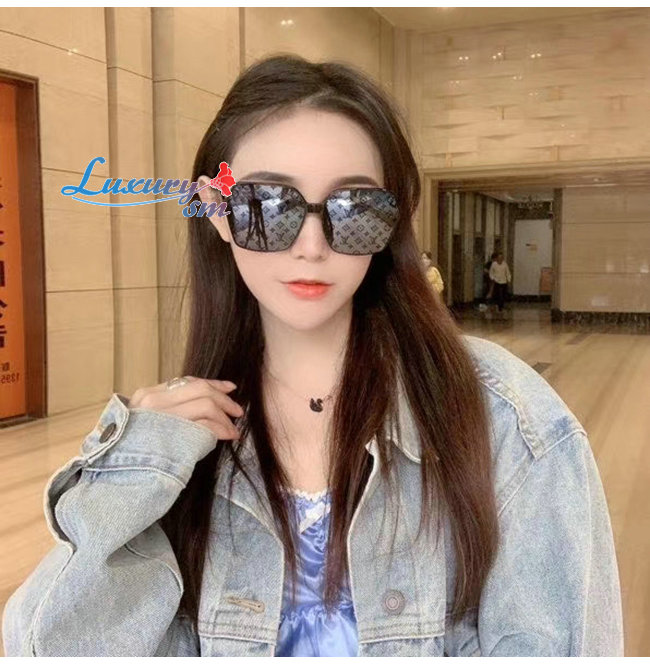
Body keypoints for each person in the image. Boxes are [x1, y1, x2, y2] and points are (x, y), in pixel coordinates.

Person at [2, 55, 623, 657]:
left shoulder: (507, 417)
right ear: (216, 210)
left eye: (354, 209)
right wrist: (137, 465)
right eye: (269, 206)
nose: (311, 245)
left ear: (391, 223)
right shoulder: (179, 442)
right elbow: (46, 645)